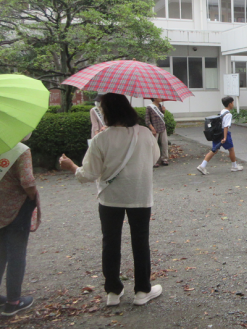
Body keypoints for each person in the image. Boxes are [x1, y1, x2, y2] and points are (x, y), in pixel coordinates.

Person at [59, 93, 163, 307]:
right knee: (140, 242)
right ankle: (142, 291)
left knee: (110, 242)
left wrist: (71, 166)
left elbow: (88, 174)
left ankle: (113, 292)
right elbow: (154, 158)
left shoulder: (101, 139)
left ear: (107, 113)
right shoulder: (144, 133)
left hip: (110, 198)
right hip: (139, 196)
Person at [0, 136, 41, 316]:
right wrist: (33, 197)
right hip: (16, 208)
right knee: (16, 253)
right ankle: (13, 301)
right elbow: (27, 181)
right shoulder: (20, 150)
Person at [197, 96, 244, 174]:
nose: (233, 104)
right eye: (232, 103)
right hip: (223, 133)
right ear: (230, 104)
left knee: (214, 150)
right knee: (231, 149)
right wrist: (225, 137)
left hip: (217, 133)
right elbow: (226, 126)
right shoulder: (228, 114)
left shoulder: (222, 111)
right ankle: (234, 166)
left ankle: (202, 165)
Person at [145, 98, 169, 167]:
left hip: (162, 127)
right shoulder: (149, 107)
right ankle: (153, 161)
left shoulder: (161, 106)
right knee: (154, 145)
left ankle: (164, 159)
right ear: (154, 97)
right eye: (159, 96)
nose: (161, 98)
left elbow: (161, 117)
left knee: (164, 143)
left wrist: (163, 111)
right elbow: (147, 120)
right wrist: (152, 129)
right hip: (155, 128)